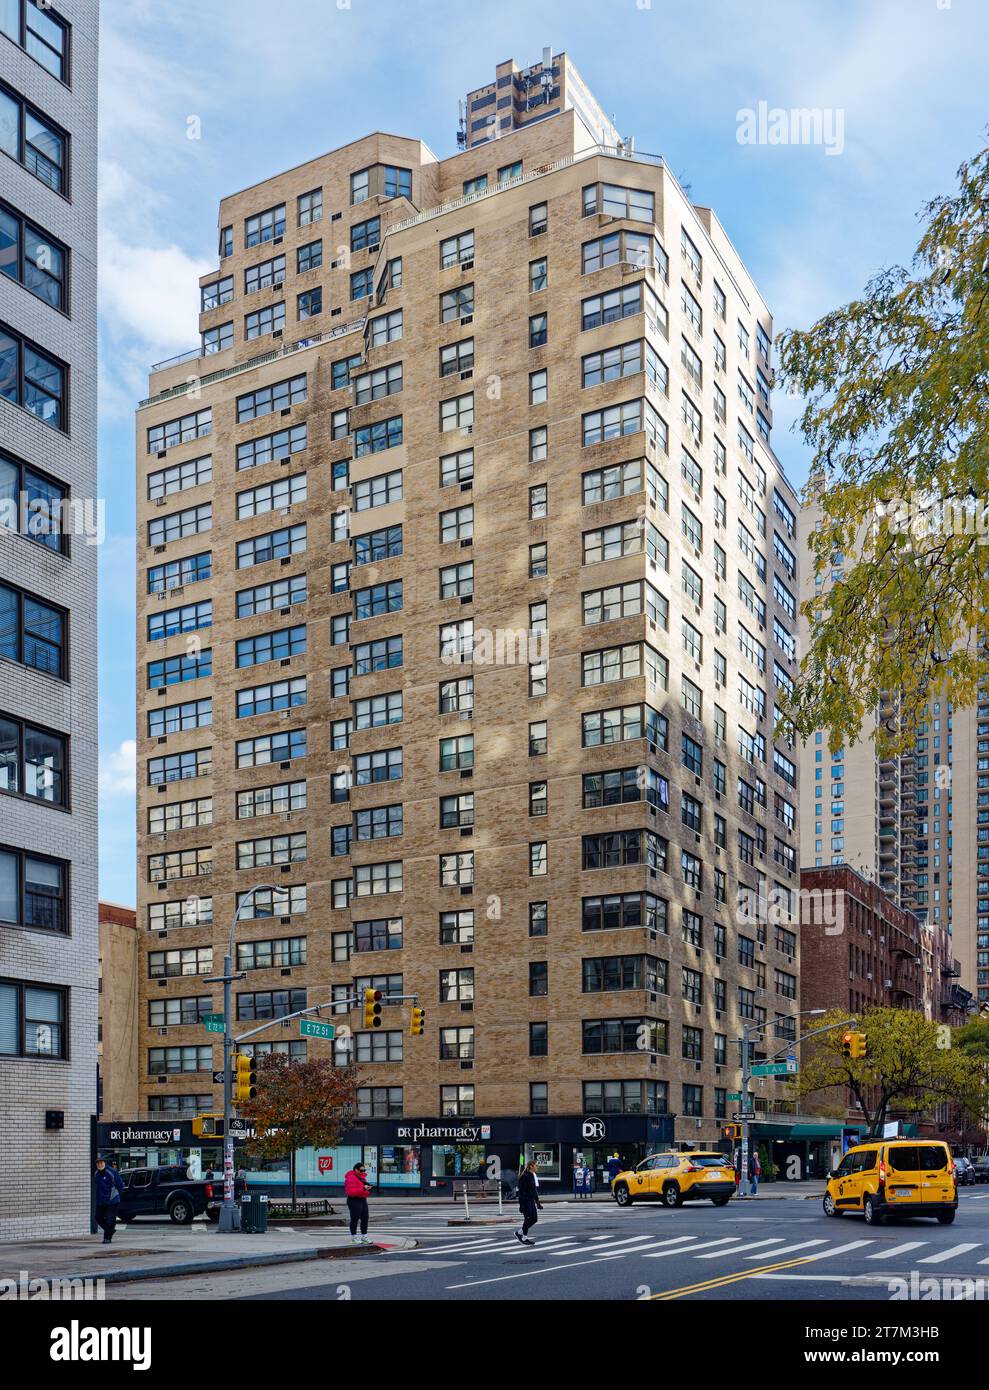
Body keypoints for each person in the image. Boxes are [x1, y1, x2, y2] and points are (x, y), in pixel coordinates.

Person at [94, 1156, 124, 1244]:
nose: (100, 1164)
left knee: (110, 1219)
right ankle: (110, 1230)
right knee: (98, 1217)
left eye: (101, 1162)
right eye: (98, 1163)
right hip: (101, 1201)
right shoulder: (96, 1173)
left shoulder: (111, 1172)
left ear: (104, 1163)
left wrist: (118, 1196)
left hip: (112, 1199)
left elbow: (120, 1185)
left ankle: (107, 1238)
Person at [514, 1160, 543, 1245]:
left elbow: (533, 1190)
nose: (537, 1167)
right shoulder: (524, 1176)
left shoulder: (532, 1175)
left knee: (534, 1219)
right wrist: (521, 1204)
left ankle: (519, 1233)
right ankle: (524, 1237)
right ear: (531, 1166)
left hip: (531, 1200)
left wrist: (538, 1203)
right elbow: (521, 1191)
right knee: (528, 1218)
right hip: (525, 1201)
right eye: (536, 1165)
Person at [344, 1161, 372, 1244]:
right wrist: (363, 1189)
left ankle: (364, 1236)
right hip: (354, 1200)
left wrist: (368, 1189)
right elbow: (351, 1192)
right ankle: (354, 1237)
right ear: (356, 1170)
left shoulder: (362, 1178)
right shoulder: (351, 1178)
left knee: (365, 1218)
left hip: (362, 1199)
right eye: (361, 1170)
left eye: (364, 1170)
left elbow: (364, 1191)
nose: (363, 1172)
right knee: (355, 1219)